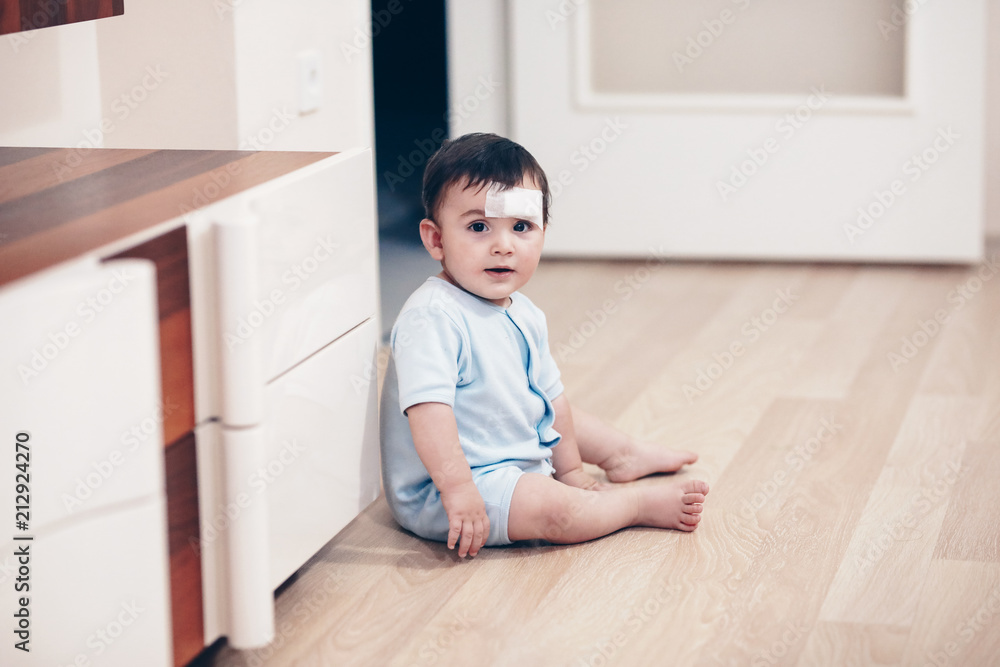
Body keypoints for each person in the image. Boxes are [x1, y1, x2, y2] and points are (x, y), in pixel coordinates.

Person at [379, 133, 709, 558]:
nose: (504, 246)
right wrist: (458, 490)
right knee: (557, 512)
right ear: (436, 240)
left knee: (552, 408)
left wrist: (570, 472)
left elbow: (552, 400)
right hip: (451, 487)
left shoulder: (525, 312)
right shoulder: (432, 317)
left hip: (511, 457)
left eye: (521, 227)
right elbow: (430, 416)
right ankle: (634, 506)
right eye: (478, 227)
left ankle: (623, 453)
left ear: (543, 234)